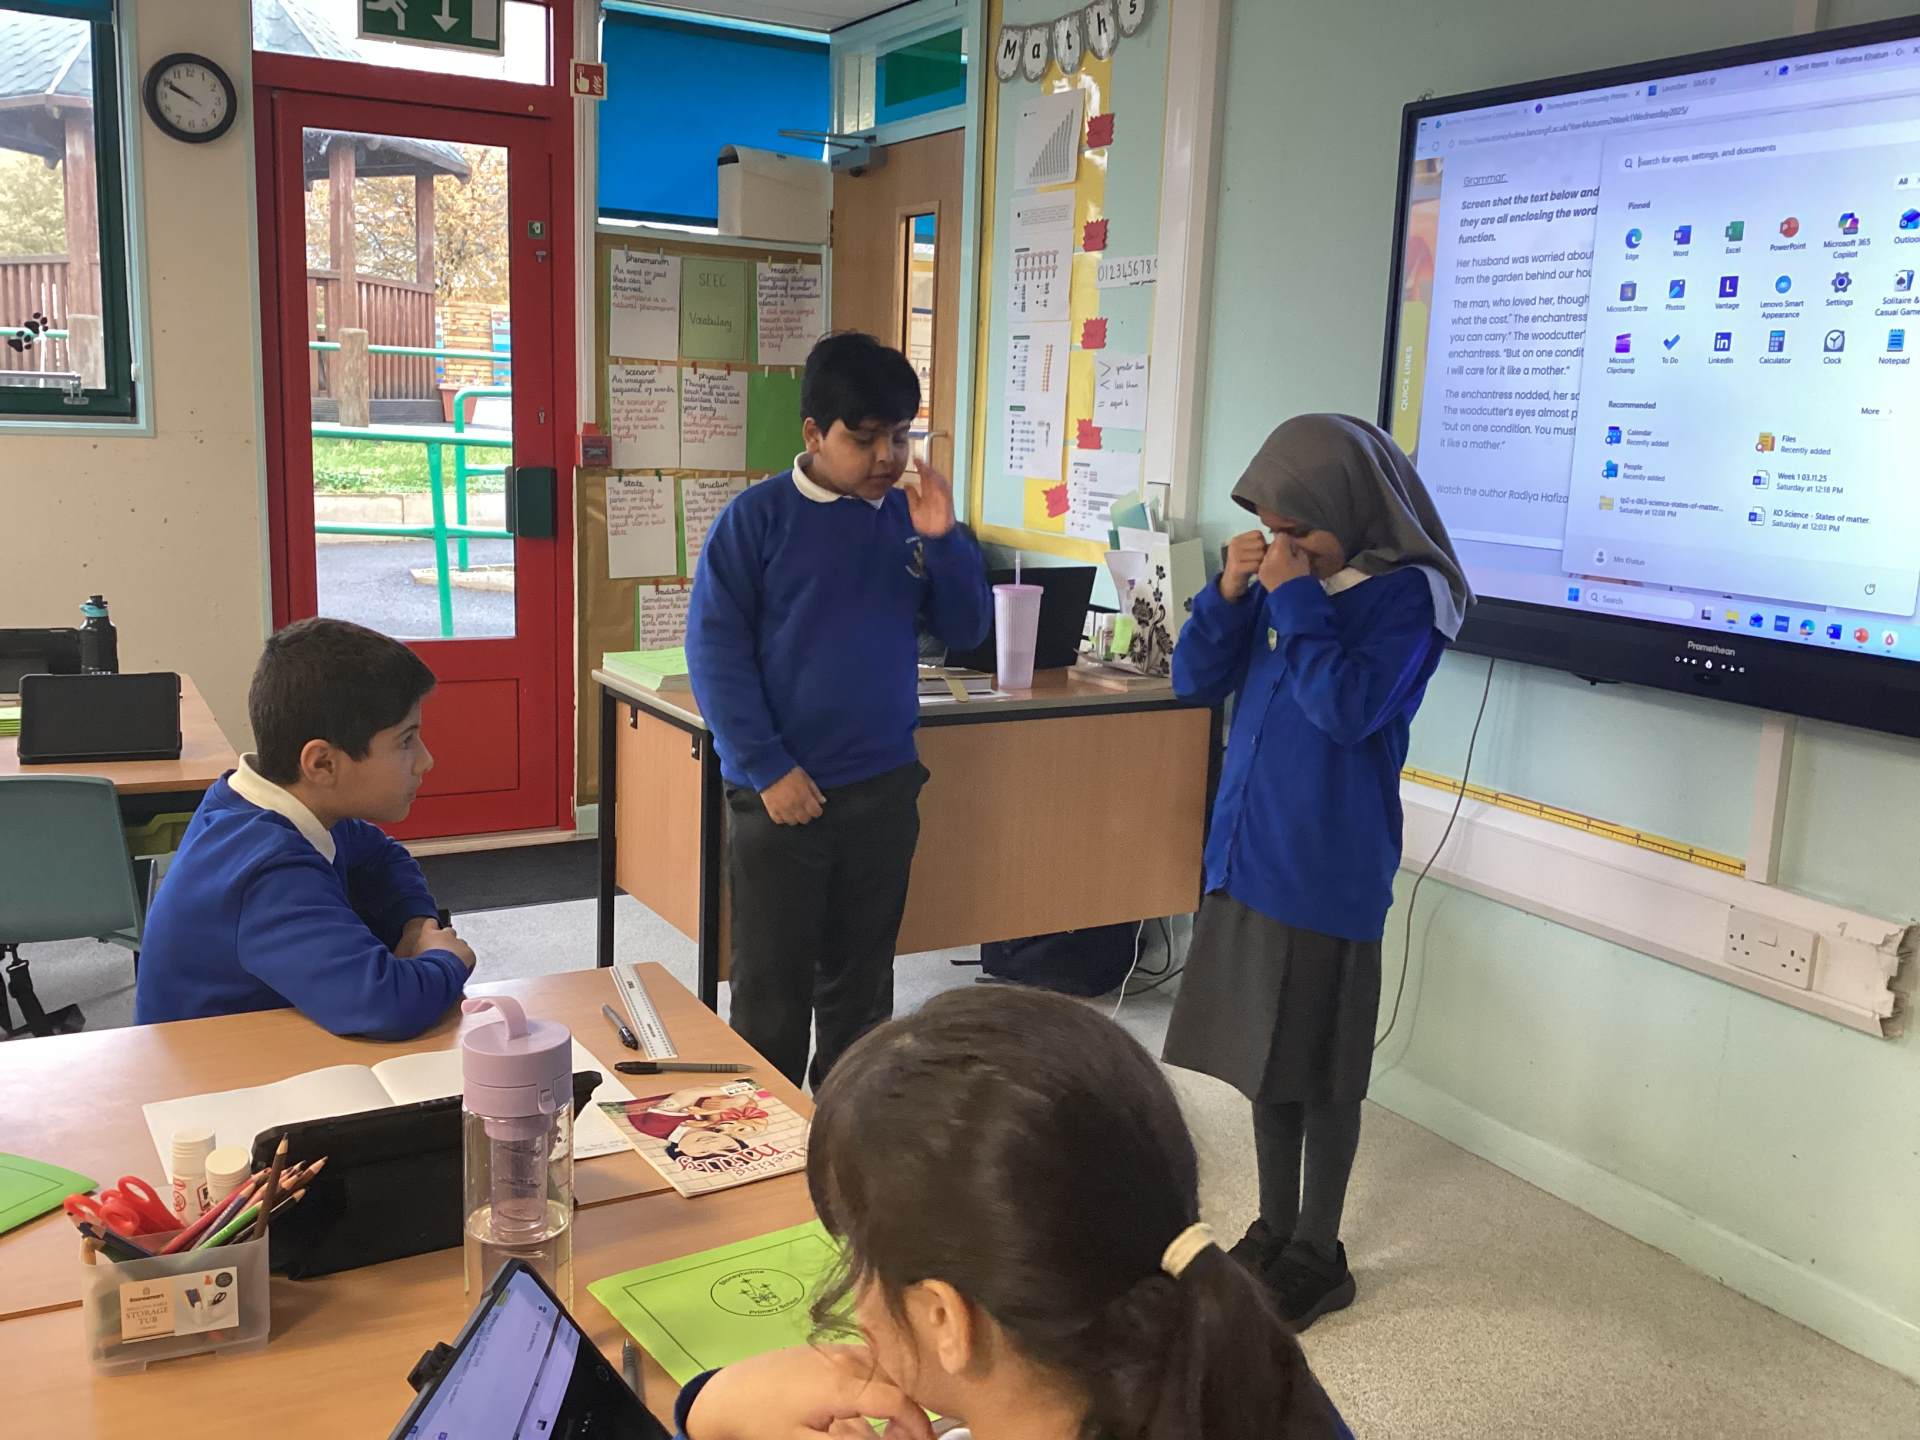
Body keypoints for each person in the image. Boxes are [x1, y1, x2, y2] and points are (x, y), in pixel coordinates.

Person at [667, 987, 1351, 1440]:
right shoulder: (1261, 1390)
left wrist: (712, 1409)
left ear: (945, 1319)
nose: (855, 1297)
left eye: (860, 1262)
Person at [1161, 413, 1472, 1330]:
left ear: (1352, 509)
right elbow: (1193, 681)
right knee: (1267, 1063)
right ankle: (1272, 1227)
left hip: (1327, 867)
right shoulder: (1279, 584)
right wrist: (1227, 594)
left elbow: (1345, 708)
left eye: (1300, 530)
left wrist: (1295, 598)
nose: (1281, 545)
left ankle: (1319, 1251)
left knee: (1325, 1072)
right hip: (1248, 852)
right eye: (1270, 528)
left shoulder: (1408, 599)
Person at [687, 332, 991, 1089]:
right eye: (865, 438)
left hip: (882, 788)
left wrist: (945, 541)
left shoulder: (908, 518)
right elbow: (716, 655)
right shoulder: (756, 519)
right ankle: (769, 1141)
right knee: (771, 996)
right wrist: (767, 769)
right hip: (780, 795)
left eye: (901, 436)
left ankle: (847, 1132)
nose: (888, 456)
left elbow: (966, 630)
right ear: (814, 434)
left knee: (861, 995)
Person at [135, 618, 475, 1039]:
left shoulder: (266, 804)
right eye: (406, 741)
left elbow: (384, 858)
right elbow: (384, 1003)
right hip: (211, 1073)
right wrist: (446, 959)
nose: (426, 761)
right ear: (322, 763)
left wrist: (415, 925)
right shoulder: (265, 868)